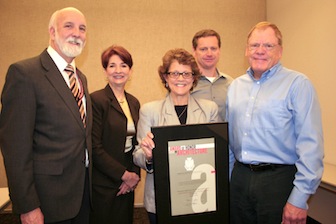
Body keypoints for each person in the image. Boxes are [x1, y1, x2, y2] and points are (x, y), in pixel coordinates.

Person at [0, 7, 92, 224]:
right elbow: (15, 147)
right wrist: (27, 205)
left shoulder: (81, 78)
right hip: (46, 202)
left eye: (82, 28)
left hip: (82, 197)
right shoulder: (25, 74)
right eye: (68, 26)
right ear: (52, 32)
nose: (77, 33)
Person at [226, 21, 324, 224]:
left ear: (280, 51)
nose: (260, 51)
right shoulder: (235, 87)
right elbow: (229, 138)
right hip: (239, 179)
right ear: (246, 50)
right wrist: (228, 181)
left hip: (278, 181)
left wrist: (299, 199)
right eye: (254, 45)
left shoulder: (298, 85)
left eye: (268, 46)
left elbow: (311, 146)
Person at [133, 48, 219, 224]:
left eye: (186, 73)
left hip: (199, 195)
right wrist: (148, 156)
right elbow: (137, 155)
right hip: (162, 196)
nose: (181, 79)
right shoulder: (150, 111)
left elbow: (217, 153)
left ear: (194, 77)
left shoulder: (209, 109)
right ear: (165, 77)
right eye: (174, 73)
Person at [89, 45, 140, 224]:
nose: (118, 70)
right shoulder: (96, 100)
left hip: (128, 181)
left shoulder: (134, 102)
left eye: (123, 65)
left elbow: (137, 144)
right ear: (105, 71)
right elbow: (94, 147)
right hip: (104, 182)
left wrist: (133, 175)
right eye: (112, 65)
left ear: (130, 70)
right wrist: (123, 174)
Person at [191, 29, 234, 121]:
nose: (209, 54)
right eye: (203, 49)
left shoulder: (231, 84)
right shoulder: (185, 83)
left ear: (219, 50)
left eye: (213, 48)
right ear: (194, 51)